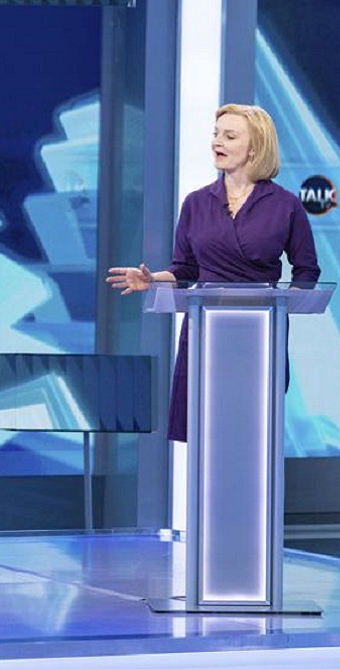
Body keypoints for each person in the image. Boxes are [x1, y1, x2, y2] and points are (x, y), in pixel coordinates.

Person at [105, 103, 320, 442]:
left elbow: (306, 271)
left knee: (250, 435)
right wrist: (152, 280)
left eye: (230, 136)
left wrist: (282, 304)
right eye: (216, 134)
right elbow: (185, 268)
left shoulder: (285, 205)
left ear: (256, 147)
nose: (217, 142)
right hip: (205, 331)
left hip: (259, 334)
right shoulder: (195, 203)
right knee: (207, 431)